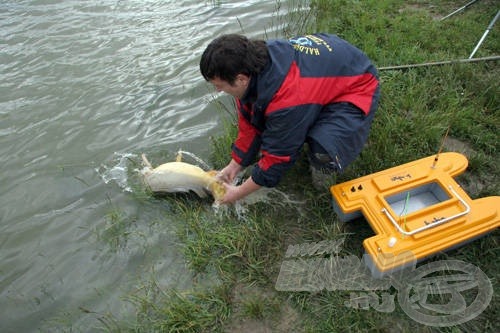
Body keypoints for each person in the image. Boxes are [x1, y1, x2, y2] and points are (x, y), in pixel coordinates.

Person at [200, 33, 380, 204]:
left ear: (241, 79)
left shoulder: (287, 100)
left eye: (219, 85)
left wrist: (238, 193)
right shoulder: (253, 67)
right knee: (278, 124)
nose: (218, 91)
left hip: (357, 84)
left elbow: (278, 158)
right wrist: (233, 167)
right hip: (328, 69)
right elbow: (249, 126)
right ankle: (316, 120)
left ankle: (325, 182)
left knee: (322, 147)